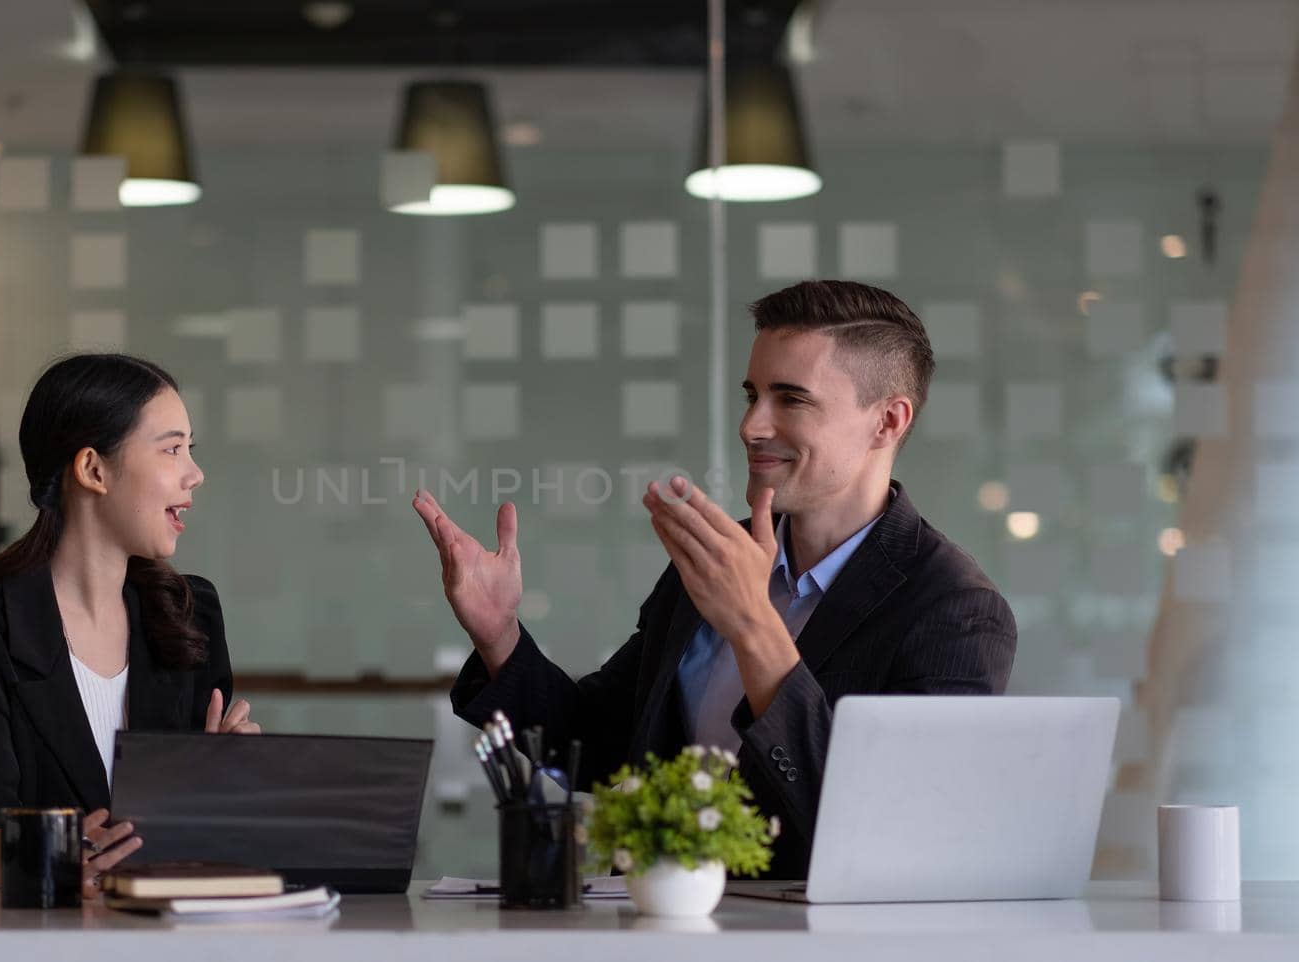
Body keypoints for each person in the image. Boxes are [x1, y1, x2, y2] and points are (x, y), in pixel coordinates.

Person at [412, 280, 1016, 878]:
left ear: (887, 421)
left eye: (792, 399)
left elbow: (893, 835)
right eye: (752, 394)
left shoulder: (955, 610)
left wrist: (753, 626)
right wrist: (500, 637)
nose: (752, 425)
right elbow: (597, 748)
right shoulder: (714, 559)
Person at [0, 353, 260, 894]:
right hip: (22, 938)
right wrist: (63, 857)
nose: (195, 473)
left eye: (191, 449)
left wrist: (216, 785)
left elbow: (188, 846)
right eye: (172, 449)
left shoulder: (190, 615)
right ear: (93, 469)